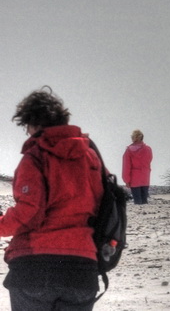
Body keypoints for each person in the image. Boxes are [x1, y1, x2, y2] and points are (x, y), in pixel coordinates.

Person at [0, 87, 104, 311]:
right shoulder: (90, 156)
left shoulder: (36, 156)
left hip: (35, 266)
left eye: (27, 127)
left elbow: (30, 212)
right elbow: (102, 207)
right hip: (82, 267)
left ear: (34, 124)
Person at [122, 130, 153, 206]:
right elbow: (149, 160)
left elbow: (126, 166)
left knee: (137, 201)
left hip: (134, 177)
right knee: (144, 200)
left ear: (134, 138)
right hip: (145, 176)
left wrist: (126, 180)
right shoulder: (148, 149)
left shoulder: (129, 150)